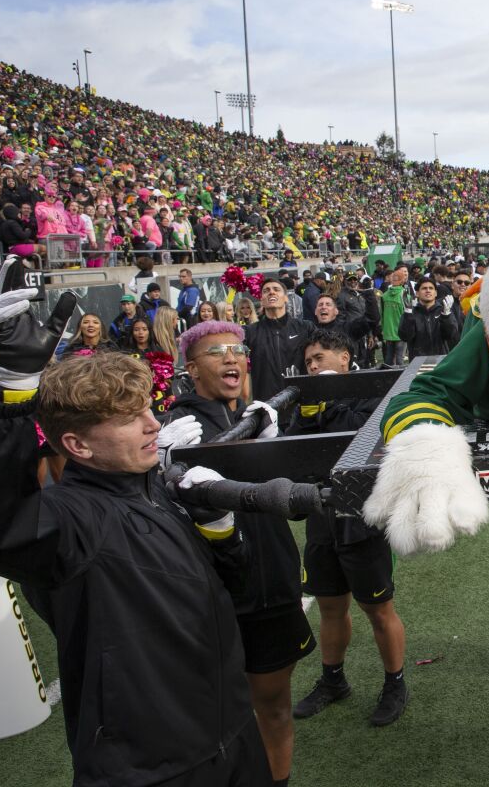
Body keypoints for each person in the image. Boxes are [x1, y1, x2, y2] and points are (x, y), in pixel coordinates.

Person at [0, 260, 271, 786]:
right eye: (130, 418)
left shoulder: (154, 488)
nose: (153, 424)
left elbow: (235, 592)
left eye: (148, 407)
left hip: (230, 735)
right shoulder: (74, 519)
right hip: (151, 768)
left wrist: (219, 528)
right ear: (76, 444)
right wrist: (10, 394)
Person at [161, 321, 315, 784]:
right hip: (217, 594)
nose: (231, 358)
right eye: (216, 352)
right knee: (218, 713)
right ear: (191, 369)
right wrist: (159, 467)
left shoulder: (255, 416)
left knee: (274, 705)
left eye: (236, 349)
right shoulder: (177, 429)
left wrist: (273, 446)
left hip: (273, 584)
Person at [284, 330, 409, 727]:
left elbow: (368, 431)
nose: (314, 367)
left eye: (320, 358)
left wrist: (324, 409)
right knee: (330, 607)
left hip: (362, 518)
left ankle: (395, 684)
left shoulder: (371, 390)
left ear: (344, 357)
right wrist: (307, 417)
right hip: (322, 519)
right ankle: (333, 680)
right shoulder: (308, 404)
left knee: (378, 608)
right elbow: (291, 451)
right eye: (308, 364)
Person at [244, 278, 314, 402]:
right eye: (266, 291)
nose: (271, 292)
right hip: (266, 406)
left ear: (286, 298)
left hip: (300, 404)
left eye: (276, 289)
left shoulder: (305, 327)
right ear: (262, 300)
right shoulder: (249, 332)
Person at [398, 275, 457, 359]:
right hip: (417, 361)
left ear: (436, 293)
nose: (428, 290)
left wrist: (446, 316)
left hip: (441, 360)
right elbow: (405, 336)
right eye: (424, 288)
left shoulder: (443, 310)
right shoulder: (411, 313)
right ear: (417, 293)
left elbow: (451, 335)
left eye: (431, 288)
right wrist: (408, 314)